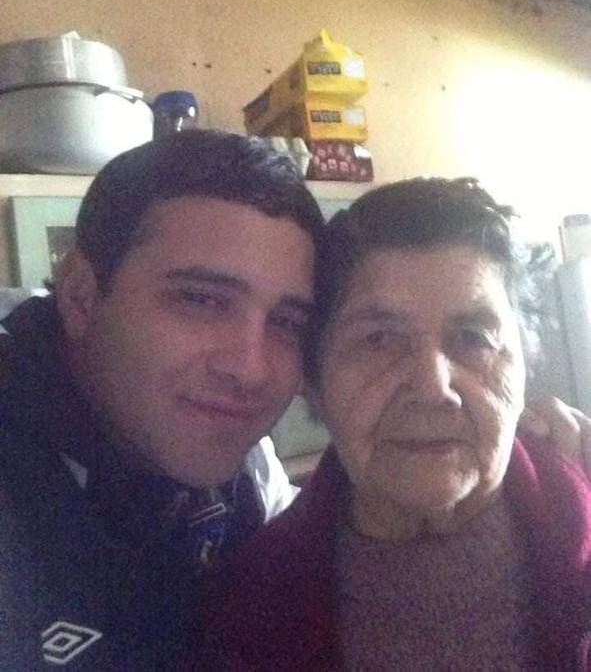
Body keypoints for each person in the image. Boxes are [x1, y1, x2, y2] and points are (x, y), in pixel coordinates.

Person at [191, 178, 591, 671]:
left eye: (473, 338)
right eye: (379, 339)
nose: (433, 387)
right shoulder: (246, 609)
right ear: (312, 381)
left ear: (525, 366)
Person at [0, 129, 325, 670]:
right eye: (200, 299)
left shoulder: (248, 467)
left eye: (287, 322)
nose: (251, 370)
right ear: (80, 296)